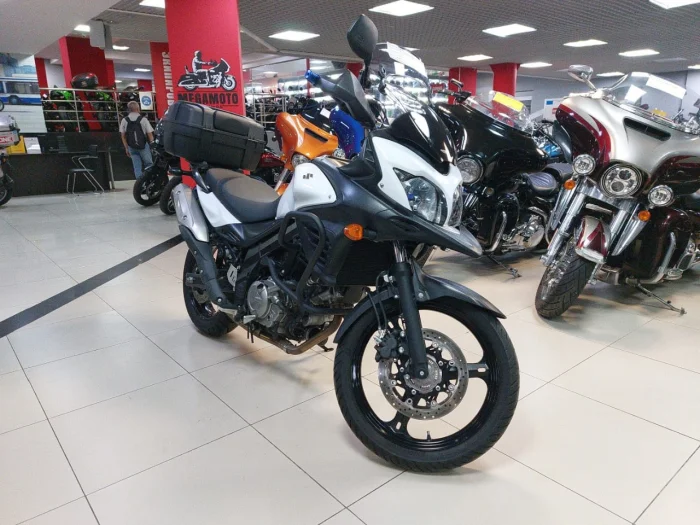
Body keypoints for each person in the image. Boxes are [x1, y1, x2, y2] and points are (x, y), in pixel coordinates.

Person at [120, 101, 154, 179]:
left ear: (129, 109)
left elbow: (123, 136)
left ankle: (140, 184)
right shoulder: (143, 120)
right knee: (149, 164)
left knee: (137, 167)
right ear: (138, 109)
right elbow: (150, 135)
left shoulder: (124, 120)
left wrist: (126, 148)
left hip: (131, 146)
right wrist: (152, 145)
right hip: (143, 146)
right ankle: (150, 181)